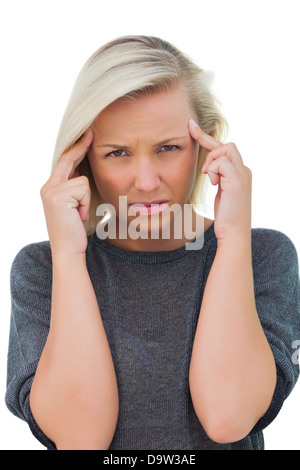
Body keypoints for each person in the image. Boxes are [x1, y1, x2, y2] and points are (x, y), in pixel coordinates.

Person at [5, 35, 300, 450]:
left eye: (168, 148)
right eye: (117, 153)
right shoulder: (42, 270)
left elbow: (228, 417)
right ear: (81, 160)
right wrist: (69, 256)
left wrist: (233, 238)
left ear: (204, 146)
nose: (146, 182)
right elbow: (80, 439)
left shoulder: (265, 258)